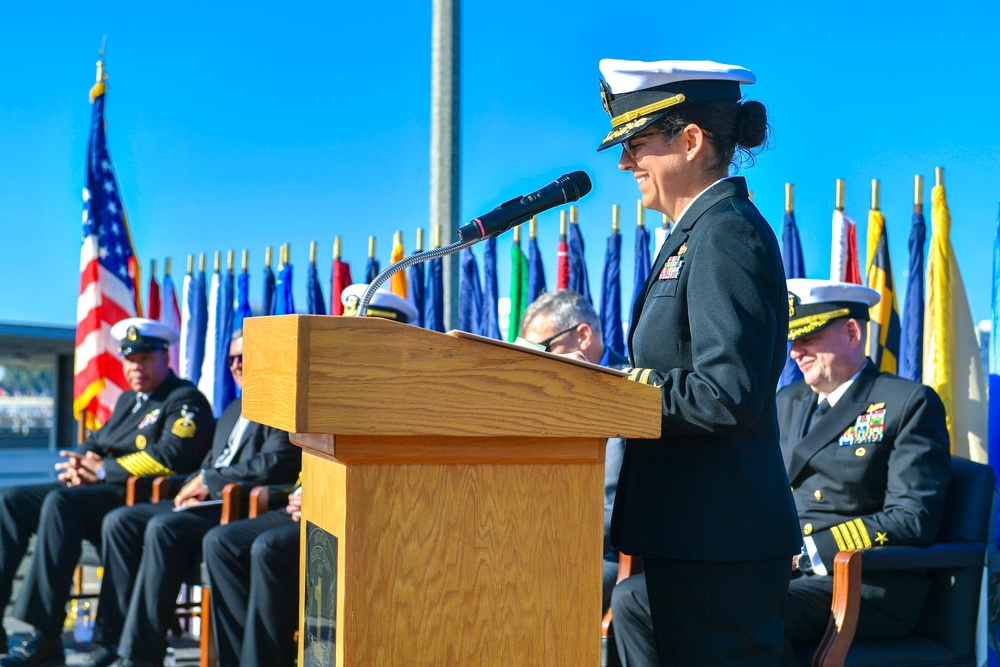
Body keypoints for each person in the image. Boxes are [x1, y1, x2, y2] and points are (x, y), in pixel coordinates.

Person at [608, 280, 951, 666]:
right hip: (775, 568)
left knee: (742, 615)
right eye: (793, 340)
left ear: (852, 332)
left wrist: (806, 554)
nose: (795, 352)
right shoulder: (786, 400)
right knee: (635, 598)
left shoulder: (907, 403)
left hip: (859, 583)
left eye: (809, 338)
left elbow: (913, 518)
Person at [596, 58, 800, 663]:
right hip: (693, 533)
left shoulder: (725, 233)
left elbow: (725, 392)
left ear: (689, 141)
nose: (625, 164)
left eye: (635, 144)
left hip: (721, 540)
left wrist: (611, 393)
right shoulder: (696, 235)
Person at [201, 286, 417, 667]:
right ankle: (237, 658)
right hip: (311, 506)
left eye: (364, 338)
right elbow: (312, 459)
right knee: (224, 541)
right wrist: (304, 492)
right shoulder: (333, 392)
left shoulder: (409, 397)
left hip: (366, 517)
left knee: (268, 549)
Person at [79, 330, 302, 667]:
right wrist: (193, 482)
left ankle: (140, 654)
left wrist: (209, 481)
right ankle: (121, 643)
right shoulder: (232, 408)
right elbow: (209, 463)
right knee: (121, 520)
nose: (238, 365)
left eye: (246, 358)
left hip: (239, 503)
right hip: (210, 497)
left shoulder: (284, 406)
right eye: (232, 359)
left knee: (164, 529)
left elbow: (275, 463)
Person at [0, 318, 213, 666]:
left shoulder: (185, 400)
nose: (136, 367)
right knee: (11, 501)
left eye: (145, 358)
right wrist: (78, 463)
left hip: (137, 497)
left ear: (165, 357)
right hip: (96, 493)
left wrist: (101, 470)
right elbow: (96, 442)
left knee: (59, 502)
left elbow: (170, 459)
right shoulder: (130, 400)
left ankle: (44, 634)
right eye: (130, 359)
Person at [517, 289, 628, 612]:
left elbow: (615, 507)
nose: (537, 363)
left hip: (604, 556)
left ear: (582, 336)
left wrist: (548, 531)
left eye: (544, 350)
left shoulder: (630, 389)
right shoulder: (541, 397)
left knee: (533, 591)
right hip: (544, 543)